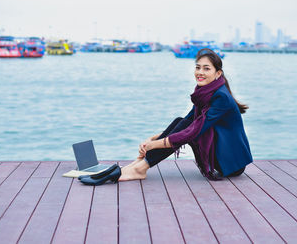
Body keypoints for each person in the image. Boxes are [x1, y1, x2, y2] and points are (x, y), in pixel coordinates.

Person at [80, 48, 253, 185]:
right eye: (198, 67)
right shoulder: (205, 92)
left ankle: (141, 167)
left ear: (218, 74)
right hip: (219, 155)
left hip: (230, 165)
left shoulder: (221, 97)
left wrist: (154, 145)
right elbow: (188, 120)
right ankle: (137, 165)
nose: (200, 72)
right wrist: (152, 139)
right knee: (182, 121)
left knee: (187, 127)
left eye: (206, 68)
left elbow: (193, 131)